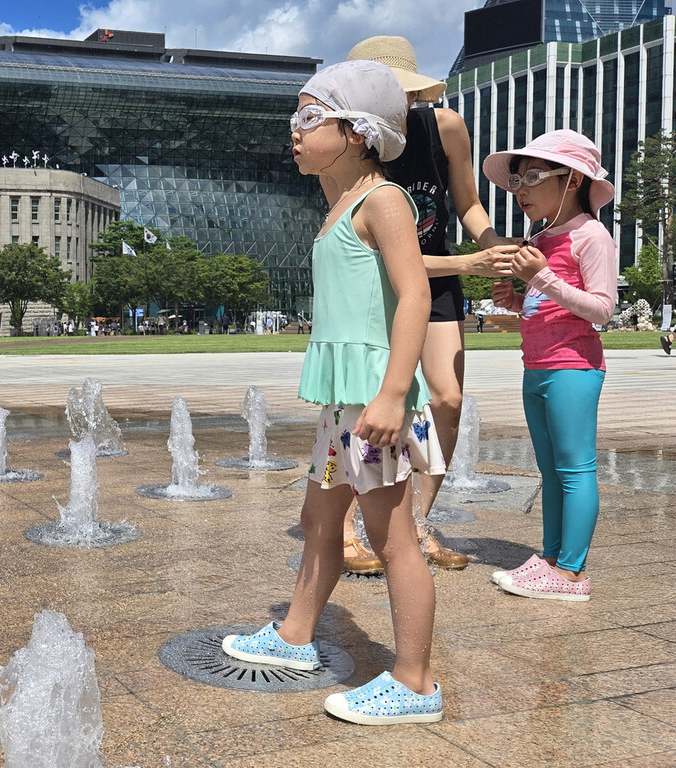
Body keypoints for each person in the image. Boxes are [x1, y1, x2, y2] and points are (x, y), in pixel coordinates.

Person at [222, 60, 446, 725]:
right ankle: (295, 635)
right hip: (343, 399)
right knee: (322, 520)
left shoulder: (383, 200)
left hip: (372, 398)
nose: (294, 131)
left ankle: (414, 682)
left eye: (309, 118)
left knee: (392, 535)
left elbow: (415, 297)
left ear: (356, 131)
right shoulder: (342, 202)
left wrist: (393, 394)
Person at [343, 36, 517, 571]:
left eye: (410, 94)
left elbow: (466, 203)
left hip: (438, 280)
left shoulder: (445, 126)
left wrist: (494, 246)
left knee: (448, 399)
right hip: (375, 282)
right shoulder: (351, 144)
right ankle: (351, 524)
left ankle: (418, 523)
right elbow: (375, 249)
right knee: (364, 401)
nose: (407, 104)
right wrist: (468, 264)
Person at [486, 129, 618, 601]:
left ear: (573, 180)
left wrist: (538, 276)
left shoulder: (592, 235)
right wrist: (518, 297)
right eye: (517, 182)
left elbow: (603, 309)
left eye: (533, 178)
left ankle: (572, 573)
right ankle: (550, 559)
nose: (521, 191)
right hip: (537, 366)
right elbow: (551, 304)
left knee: (576, 469)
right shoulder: (544, 237)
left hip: (574, 368)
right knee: (550, 470)